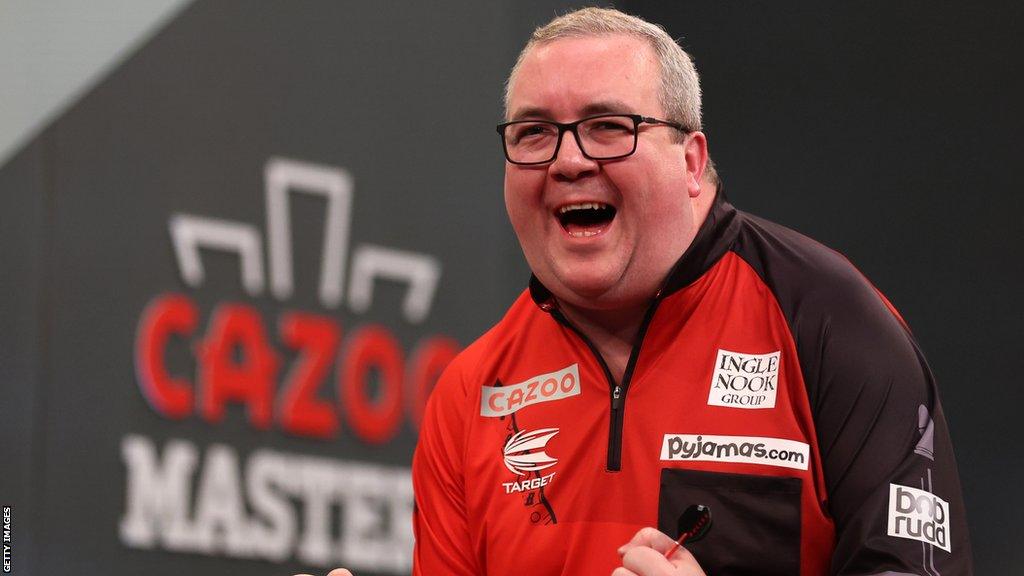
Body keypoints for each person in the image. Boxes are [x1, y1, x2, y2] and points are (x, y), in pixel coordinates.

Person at [310, 7, 972, 575]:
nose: (569, 161)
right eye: (534, 133)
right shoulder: (470, 394)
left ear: (690, 160)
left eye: (608, 126)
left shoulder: (829, 325)